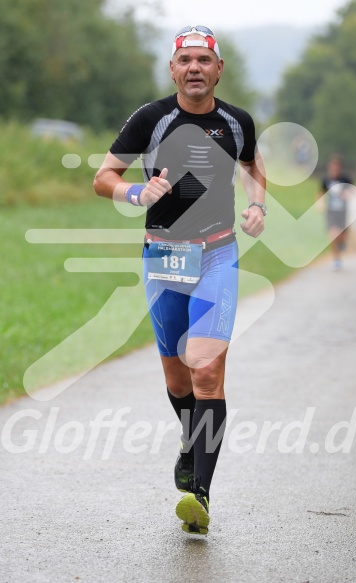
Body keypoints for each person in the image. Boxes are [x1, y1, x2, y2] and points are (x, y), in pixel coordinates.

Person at [93, 25, 266, 535]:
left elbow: (254, 167)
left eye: (204, 60)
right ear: (172, 68)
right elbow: (104, 177)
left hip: (217, 256)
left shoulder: (237, 121)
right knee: (177, 379)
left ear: (218, 69)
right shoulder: (150, 119)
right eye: (185, 59)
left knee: (206, 371)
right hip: (163, 257)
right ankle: (192, 444)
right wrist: (135, 195)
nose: (194, 68)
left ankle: (200, 494)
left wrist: (256, 204)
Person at [318, 155, 353, 271]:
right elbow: (320, 193)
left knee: (341, 236)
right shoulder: (326, 180)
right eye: (332, 167)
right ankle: (336, 259)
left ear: (339, 168)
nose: (334, 169)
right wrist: (320, 203)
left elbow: (353, 190)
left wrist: (347, 194)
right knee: (333, 235)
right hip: (331, 211)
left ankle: (342, 243)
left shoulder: (345, 179)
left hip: (342, 211)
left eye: (336, 167)